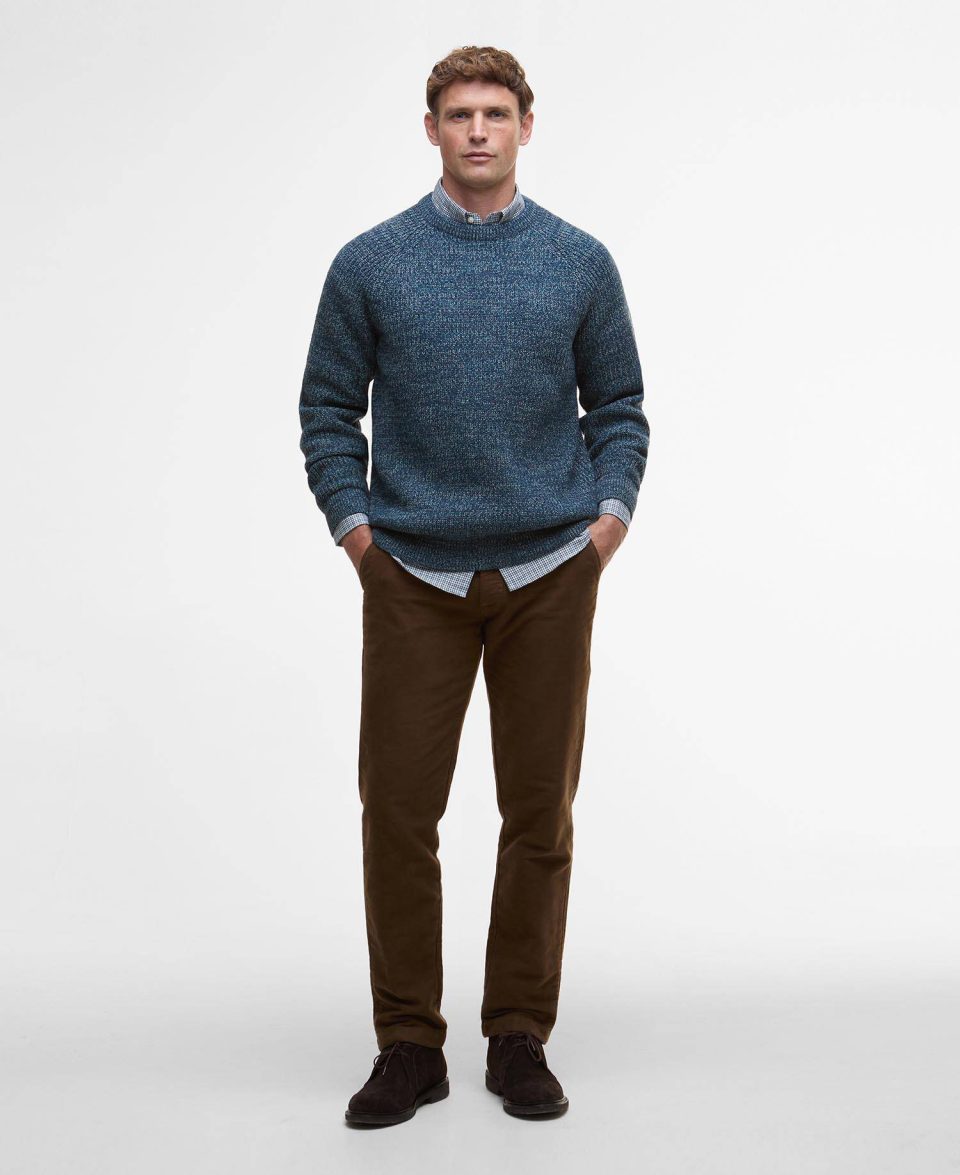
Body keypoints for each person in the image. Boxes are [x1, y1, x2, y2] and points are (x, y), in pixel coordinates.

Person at [298, 44, 650, 1126]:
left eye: (497, 113)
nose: (480, 130)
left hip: (550, 567)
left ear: (526, 126)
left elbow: (620, 407)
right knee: (400, 810)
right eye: (460, 115)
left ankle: (518, 1033)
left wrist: (604, 524)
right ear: (432, 130)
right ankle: (410, 1042)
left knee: (538, 809)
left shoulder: (579, 262)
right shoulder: (372, 263)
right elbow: (326, 411)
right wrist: (360, 535)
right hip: (413, 571)